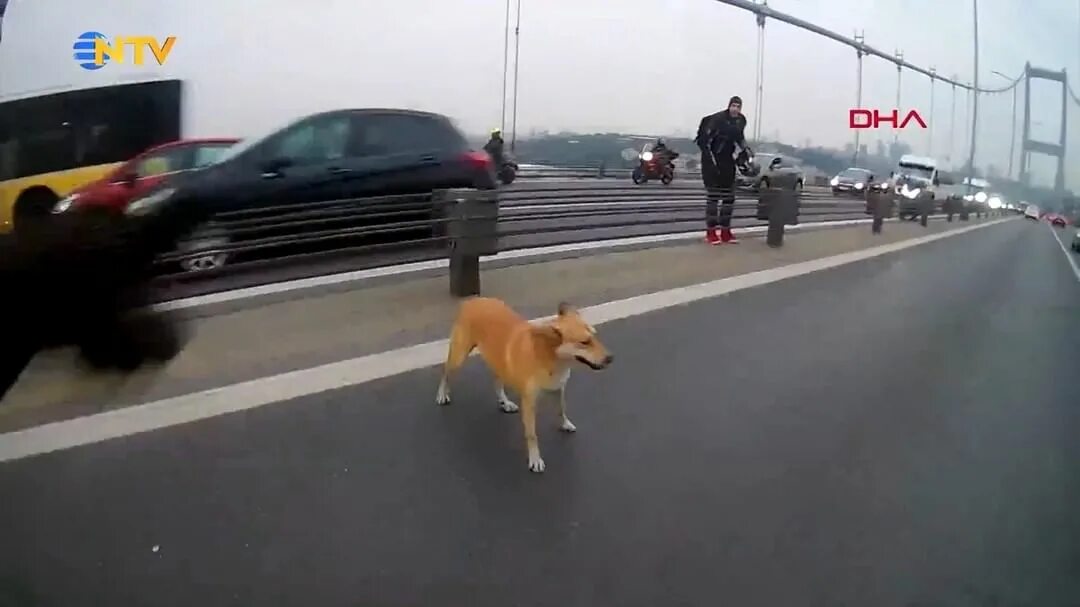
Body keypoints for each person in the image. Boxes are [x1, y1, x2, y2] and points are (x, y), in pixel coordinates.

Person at [695, 96, 751, 245]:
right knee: (713, 196)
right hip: (712, 159)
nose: (736, 109)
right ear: (729, 106)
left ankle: (726, 231)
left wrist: (746, 150)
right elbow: (705, 142)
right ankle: (711, 232)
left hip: (727, 160)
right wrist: (711, 162)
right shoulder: (718, 119)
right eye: (733, 106)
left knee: (729, 197)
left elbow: (740, 138)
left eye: (738, 106)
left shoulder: (741, 121)